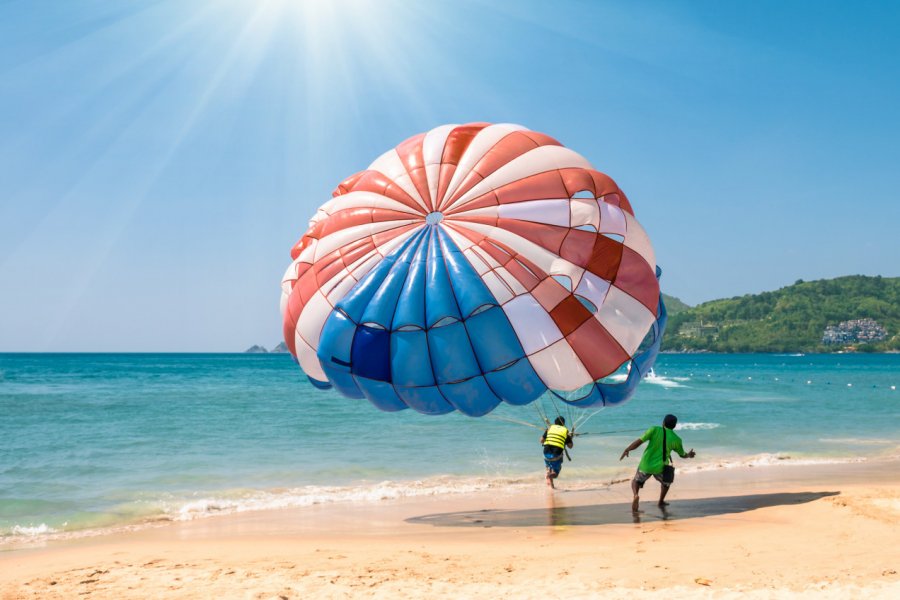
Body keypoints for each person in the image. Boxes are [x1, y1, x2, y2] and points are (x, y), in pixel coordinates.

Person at [619, 414, 696, 511]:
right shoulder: (677, 439)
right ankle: (661, 501)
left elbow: (639, 442)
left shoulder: (654, 429)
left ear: (663, 423)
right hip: (661, 468)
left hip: (646, 465)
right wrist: (689, 455)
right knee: (666, 483)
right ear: (675, 426)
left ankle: (635, 495)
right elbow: (682, 454)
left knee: (636, 481)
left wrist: (627, 449)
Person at [541, 416, 573, 489]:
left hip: (546, 454)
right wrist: (569, 437)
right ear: (563, 424)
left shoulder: (550, 429)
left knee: (548, 468)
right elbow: (570, 446)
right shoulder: (565, 431)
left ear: (555, 423)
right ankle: (550, 476)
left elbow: (541, 441)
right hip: (556, 456)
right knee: (555, 473)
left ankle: (552, 486)